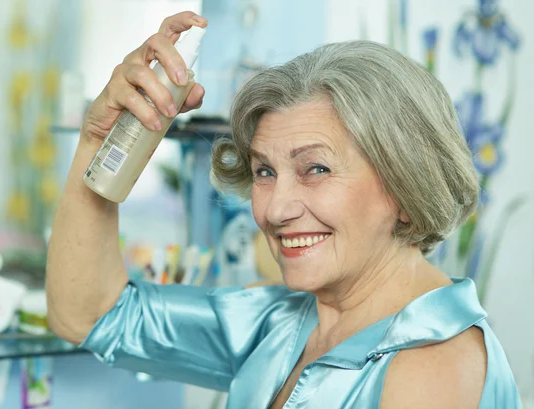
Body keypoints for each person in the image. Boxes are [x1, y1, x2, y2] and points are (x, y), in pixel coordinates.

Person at [46, 11, 523, 409]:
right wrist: (98, 137)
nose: (275, 210)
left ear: (403, 183)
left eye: (315, 169)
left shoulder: (431, 366)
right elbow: (92, 315)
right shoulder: (281, 323)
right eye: (264, 172)